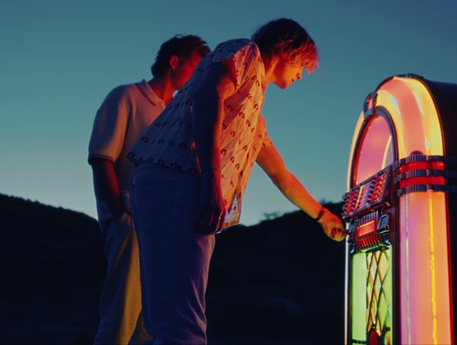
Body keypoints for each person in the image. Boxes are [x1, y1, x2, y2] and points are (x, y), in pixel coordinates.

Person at [127, 18, 346, 344]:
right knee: (182, 325)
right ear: (287, 49)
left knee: (166, 317)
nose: (302, 74)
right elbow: (209, 94)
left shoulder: (251, 107)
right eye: (303, 65)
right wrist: (212, 182)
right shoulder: (244, 52)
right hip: (179, 181)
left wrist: (322, 216)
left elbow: (280, 175)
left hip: (164, 183)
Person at [88, 34, 211, 345]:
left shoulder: (176, 114)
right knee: (121, 315)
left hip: (162, 229)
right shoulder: (126, 96)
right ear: (174, 62)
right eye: (194, 68)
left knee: (153, 323)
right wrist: (118, 215)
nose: (198, 77)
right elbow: (102, 158)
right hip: (130, 221)